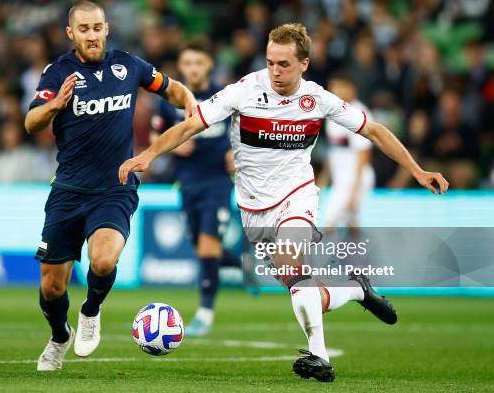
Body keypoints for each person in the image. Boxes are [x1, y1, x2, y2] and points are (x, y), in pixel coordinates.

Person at [119, 23, 448, 382]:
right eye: (271, 62)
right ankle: (357, 289)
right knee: (299, 286)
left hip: (297, 196)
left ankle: (319, 356)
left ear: (304, 63)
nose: (275, 71)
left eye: (284, 64)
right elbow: (189, 126)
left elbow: (374, 131)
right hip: (252, 206)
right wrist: (148, 155)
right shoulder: (243, 91)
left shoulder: (317, 99)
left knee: (292, 260)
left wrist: (417, 170)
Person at [25, 0, 196, 371]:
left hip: (115, 187)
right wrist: (54, 106)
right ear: (71, 33)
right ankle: (58, 337)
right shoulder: (57, 73)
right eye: (83, 29)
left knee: (103, 260)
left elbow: (170, 88)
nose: (91, 34)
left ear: (106, 28)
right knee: (52, 286)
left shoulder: (129, 65)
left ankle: (90, 310)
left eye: (97, 27)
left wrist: (190, 103)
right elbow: (31, 123)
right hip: (68, 190)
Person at [150, 40, 240, 337]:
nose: (193, 69)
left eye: (198, 63)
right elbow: (156, 132)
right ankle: (242, 263)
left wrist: (236, 153)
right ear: (180, 67)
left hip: (216, 183)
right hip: (186, 183)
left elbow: (244, 128)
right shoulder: (170, 100)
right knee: (202, 248)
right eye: (187, 63)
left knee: (206, 248)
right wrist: (174, 147)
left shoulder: (225, 96)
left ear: (209, 65)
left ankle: (205, 313)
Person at [322, 73, 375, 231]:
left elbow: (364, 157)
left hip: (356, 180)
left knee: (327, 224)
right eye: (333, 87)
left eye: (340, 87)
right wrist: (325, 177)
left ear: (352, 88)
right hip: (341, 180)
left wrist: (354, 193)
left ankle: (318, 256)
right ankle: (358, 255)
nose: (336, 91)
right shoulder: (333, 114)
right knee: (352, 226)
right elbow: (334, 152)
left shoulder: (360, 115)